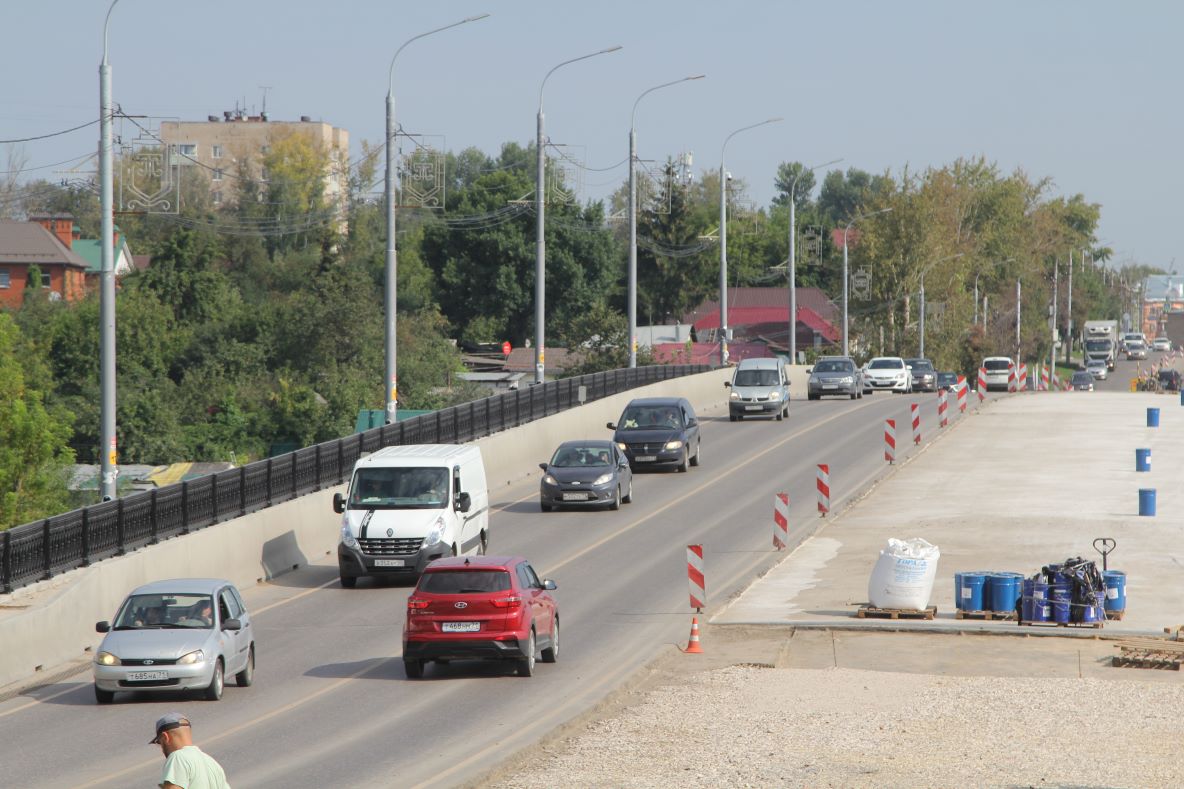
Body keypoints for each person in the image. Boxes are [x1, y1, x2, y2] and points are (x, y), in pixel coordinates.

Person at [150, 712, 231, 789]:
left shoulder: (178, 757)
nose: (161, 749)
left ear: (165, 737)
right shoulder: (213, 763)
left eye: (159, 742)